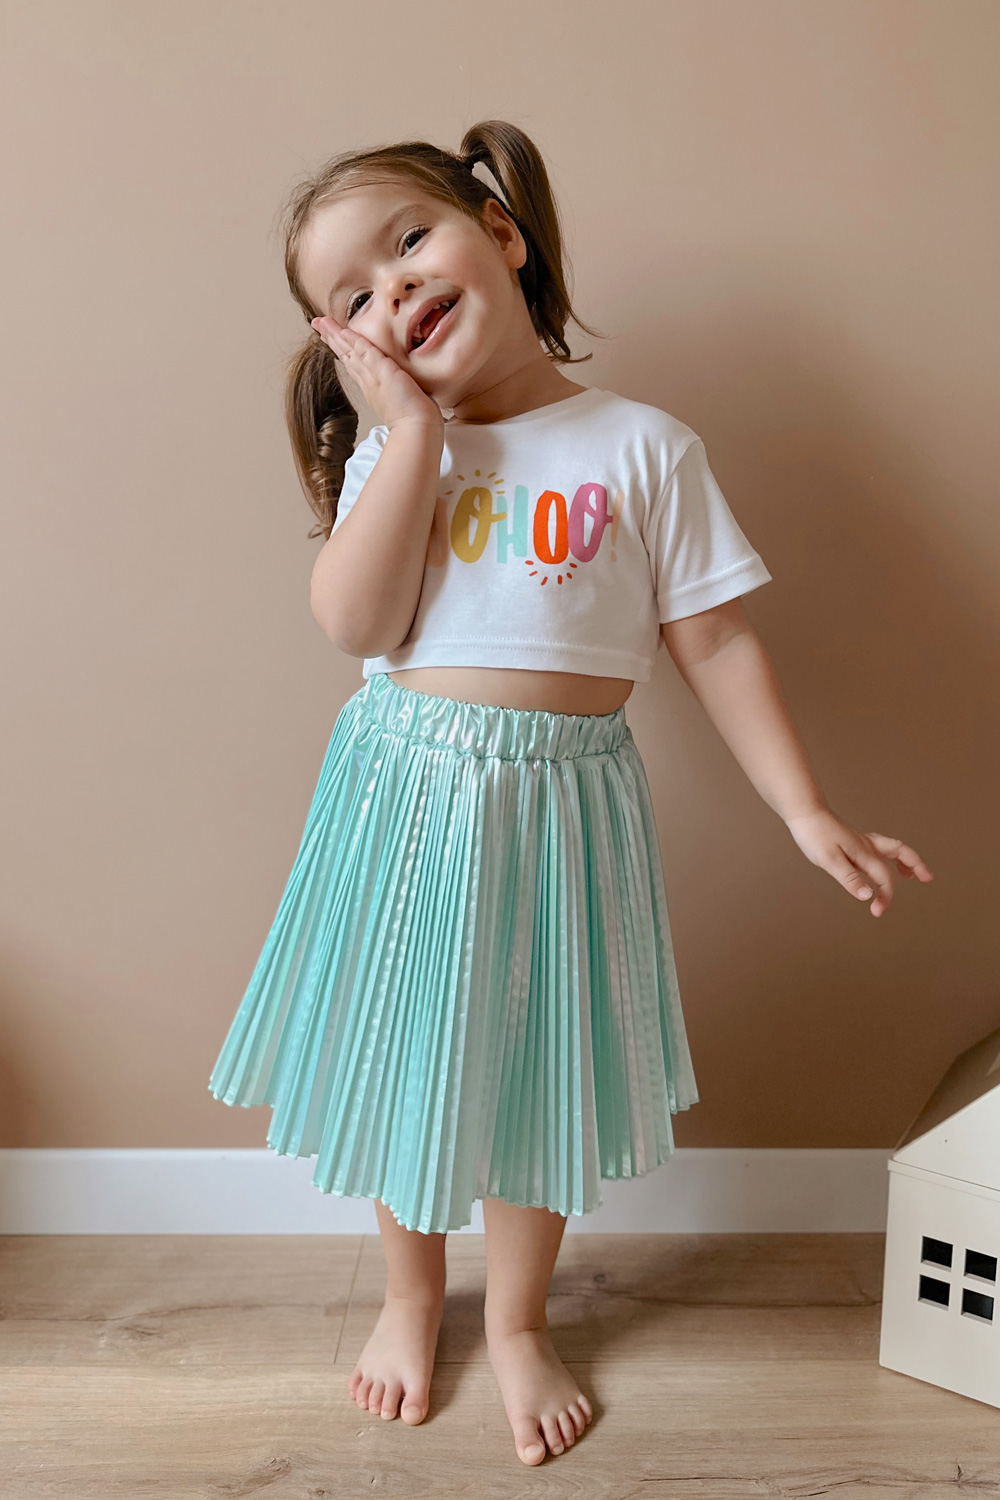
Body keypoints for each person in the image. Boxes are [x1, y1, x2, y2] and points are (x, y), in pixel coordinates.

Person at [208, 119, 934, 1466]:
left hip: (563, 809)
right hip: (409, 795)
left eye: (410, 242)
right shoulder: (400, 456)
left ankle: (522, 1316)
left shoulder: (643, 446)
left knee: (534, 1070)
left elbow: (714, 639)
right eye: (354, 298)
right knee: (411, 1058)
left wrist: (804, 809)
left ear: (503, 232)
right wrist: (407, 433)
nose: (394, 290)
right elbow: (353, 620)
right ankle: (411, 1297)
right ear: (346, 349)